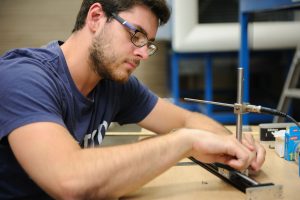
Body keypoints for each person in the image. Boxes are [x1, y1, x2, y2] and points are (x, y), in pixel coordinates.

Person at [0, 0, 266, 199]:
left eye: (148, 43)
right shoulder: (23, 77)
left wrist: (236, 146)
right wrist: (185, 140)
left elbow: (186, 118)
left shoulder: (114, 84)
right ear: (95, 17)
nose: (143, 53)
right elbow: (69, 180)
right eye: (136, 35)